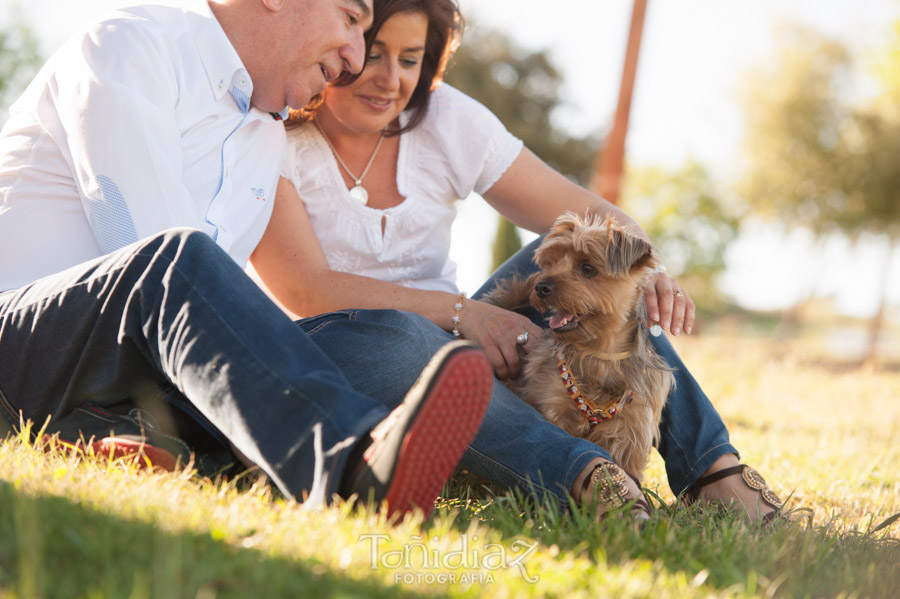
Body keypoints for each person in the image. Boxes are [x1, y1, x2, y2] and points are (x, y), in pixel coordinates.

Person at [250, 0, 785, 522]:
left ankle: (713, 468)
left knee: (580, 272)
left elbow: (596, 215)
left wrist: (652, 271)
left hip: (461, 338)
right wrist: (460, 312)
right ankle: (584, 472)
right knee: (408, 341)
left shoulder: (445, 119)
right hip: (351, 351)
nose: (391, 79)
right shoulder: (276, 137)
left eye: (410, 59)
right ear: (338, 42)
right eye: (372, 53)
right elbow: (306, 290)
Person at [0, 0, 496, 519]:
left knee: (357, 340)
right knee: (174, 261)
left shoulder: (264, 138)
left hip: (118, 377)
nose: (354, 58)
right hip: (24, 346)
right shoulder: (133, 44)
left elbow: (207, 323)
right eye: (350, 18)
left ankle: (143, 443)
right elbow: (145, 250)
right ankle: (351, 467)